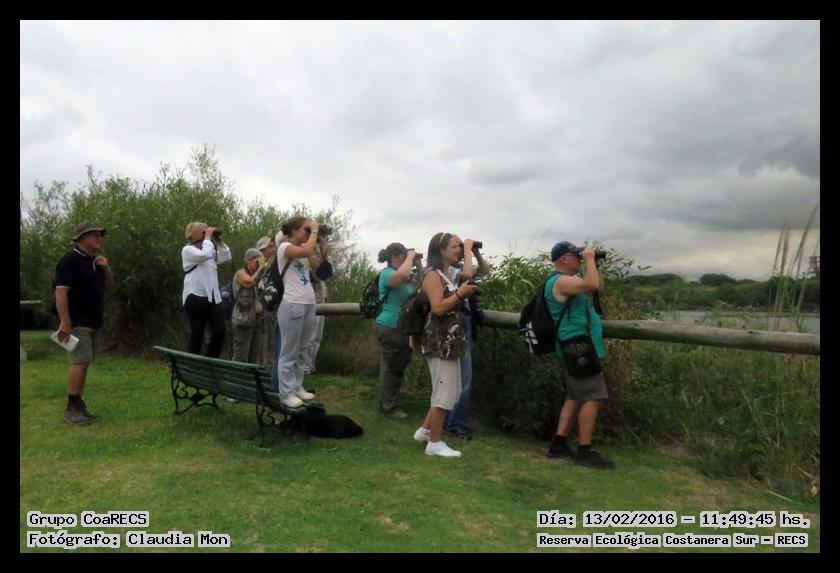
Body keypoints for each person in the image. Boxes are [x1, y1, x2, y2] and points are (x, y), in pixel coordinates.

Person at [544, 241, 614, 469]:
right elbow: (591, 284)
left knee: (574, 397)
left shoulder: (569, 280)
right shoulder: (560, 281)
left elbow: (596, 287)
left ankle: (558, 445)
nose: (580, 258)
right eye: (576, 255)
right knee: (593, 396)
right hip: (577, 349)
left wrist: (594, 265)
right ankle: (585, 452)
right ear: (564, 259)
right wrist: (590, 259)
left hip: (576, 347)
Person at [412, 232, 478, 458]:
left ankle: (425, 430)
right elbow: (438, 307)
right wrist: (460, 294)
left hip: (450, 342)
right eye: (454, 247)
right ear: (440, 250)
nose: (459, 250)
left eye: (460, 246)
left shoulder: (447, 274)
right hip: (439, 342)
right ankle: (435, 443)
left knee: (451, 389)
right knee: (444, 392)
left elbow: (469, 274)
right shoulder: (432, 275)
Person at [54, 222, 113, 425]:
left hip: (92, 321)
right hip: (77, 321)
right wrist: (65, 321)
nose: (99, 238)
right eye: (95, 234)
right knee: (79, 362)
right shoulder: (71, 260)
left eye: (100, 234)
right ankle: (71, 409)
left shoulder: (94, 262)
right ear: (82, 238)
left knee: (84, 362)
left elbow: (108, 286)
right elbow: (60, 292)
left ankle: (78, 405)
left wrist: (105, 267)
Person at [443, 235, 490, 440]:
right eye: (455, 247)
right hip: (458, 325)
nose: (459, 250)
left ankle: (448, 421)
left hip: (464, 324)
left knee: (458, 376)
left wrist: (476, 253)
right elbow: (468, 275)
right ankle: (456, 424)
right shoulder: (448, 270)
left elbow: (485, 271)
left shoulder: (457, 268)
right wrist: (468, 249)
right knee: (463, 377)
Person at [274, 217, 320, 408]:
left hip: (308, 304)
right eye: (305, 229)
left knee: (304, 349)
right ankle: (286, 393)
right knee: (289, 351)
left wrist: (322, 243)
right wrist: (314, 231)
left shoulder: (304, 249)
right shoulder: (284, 247)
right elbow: (306, 251)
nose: (308, 233)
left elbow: (318, 264)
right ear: (293, 230)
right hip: (292, 304)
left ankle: (297, 386)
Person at [375, 242, 423, 419]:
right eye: (404, 255)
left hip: (402, 328)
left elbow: (423, 283)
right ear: (395, 257)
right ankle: (390, 407)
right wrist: (410, 256)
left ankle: (388, 402)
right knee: (392, 368)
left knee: (396, 367)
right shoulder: (387, 274)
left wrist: (417, 263)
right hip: (390, 327)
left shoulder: (406, 279)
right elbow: (401, 275)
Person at [181, 222, 232, 358]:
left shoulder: (209, 250)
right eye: (203, 232)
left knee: (220, 329)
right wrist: (208, 238)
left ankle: (210, 360)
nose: (206, 234)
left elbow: (227, 255)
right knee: (198, 332)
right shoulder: (188, 250)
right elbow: (204, 255)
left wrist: (218, 240)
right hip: (195, 295)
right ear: (193, 234)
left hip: (212, 296)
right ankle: (193, 363)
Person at [301, 230, 332, 376]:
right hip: (311, 298)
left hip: (321, 298)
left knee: (318, 337)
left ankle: (310, 366)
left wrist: (324, 250)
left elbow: (328, 272)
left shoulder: (324, 254)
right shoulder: (305, 253)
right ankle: (305, 367)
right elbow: (318, 276)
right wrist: (320, 252)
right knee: (310, 336)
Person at [231, 248, 266, 364]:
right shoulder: (240, 274)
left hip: (257, 319)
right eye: (257, 262)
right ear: (248, 261)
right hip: (243, 320)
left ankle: (250, 376)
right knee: (241, 356)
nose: (259, 265)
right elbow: (250, 281)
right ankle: (237, 375)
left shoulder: (260, 275)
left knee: (253, 356)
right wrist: (261, 267)